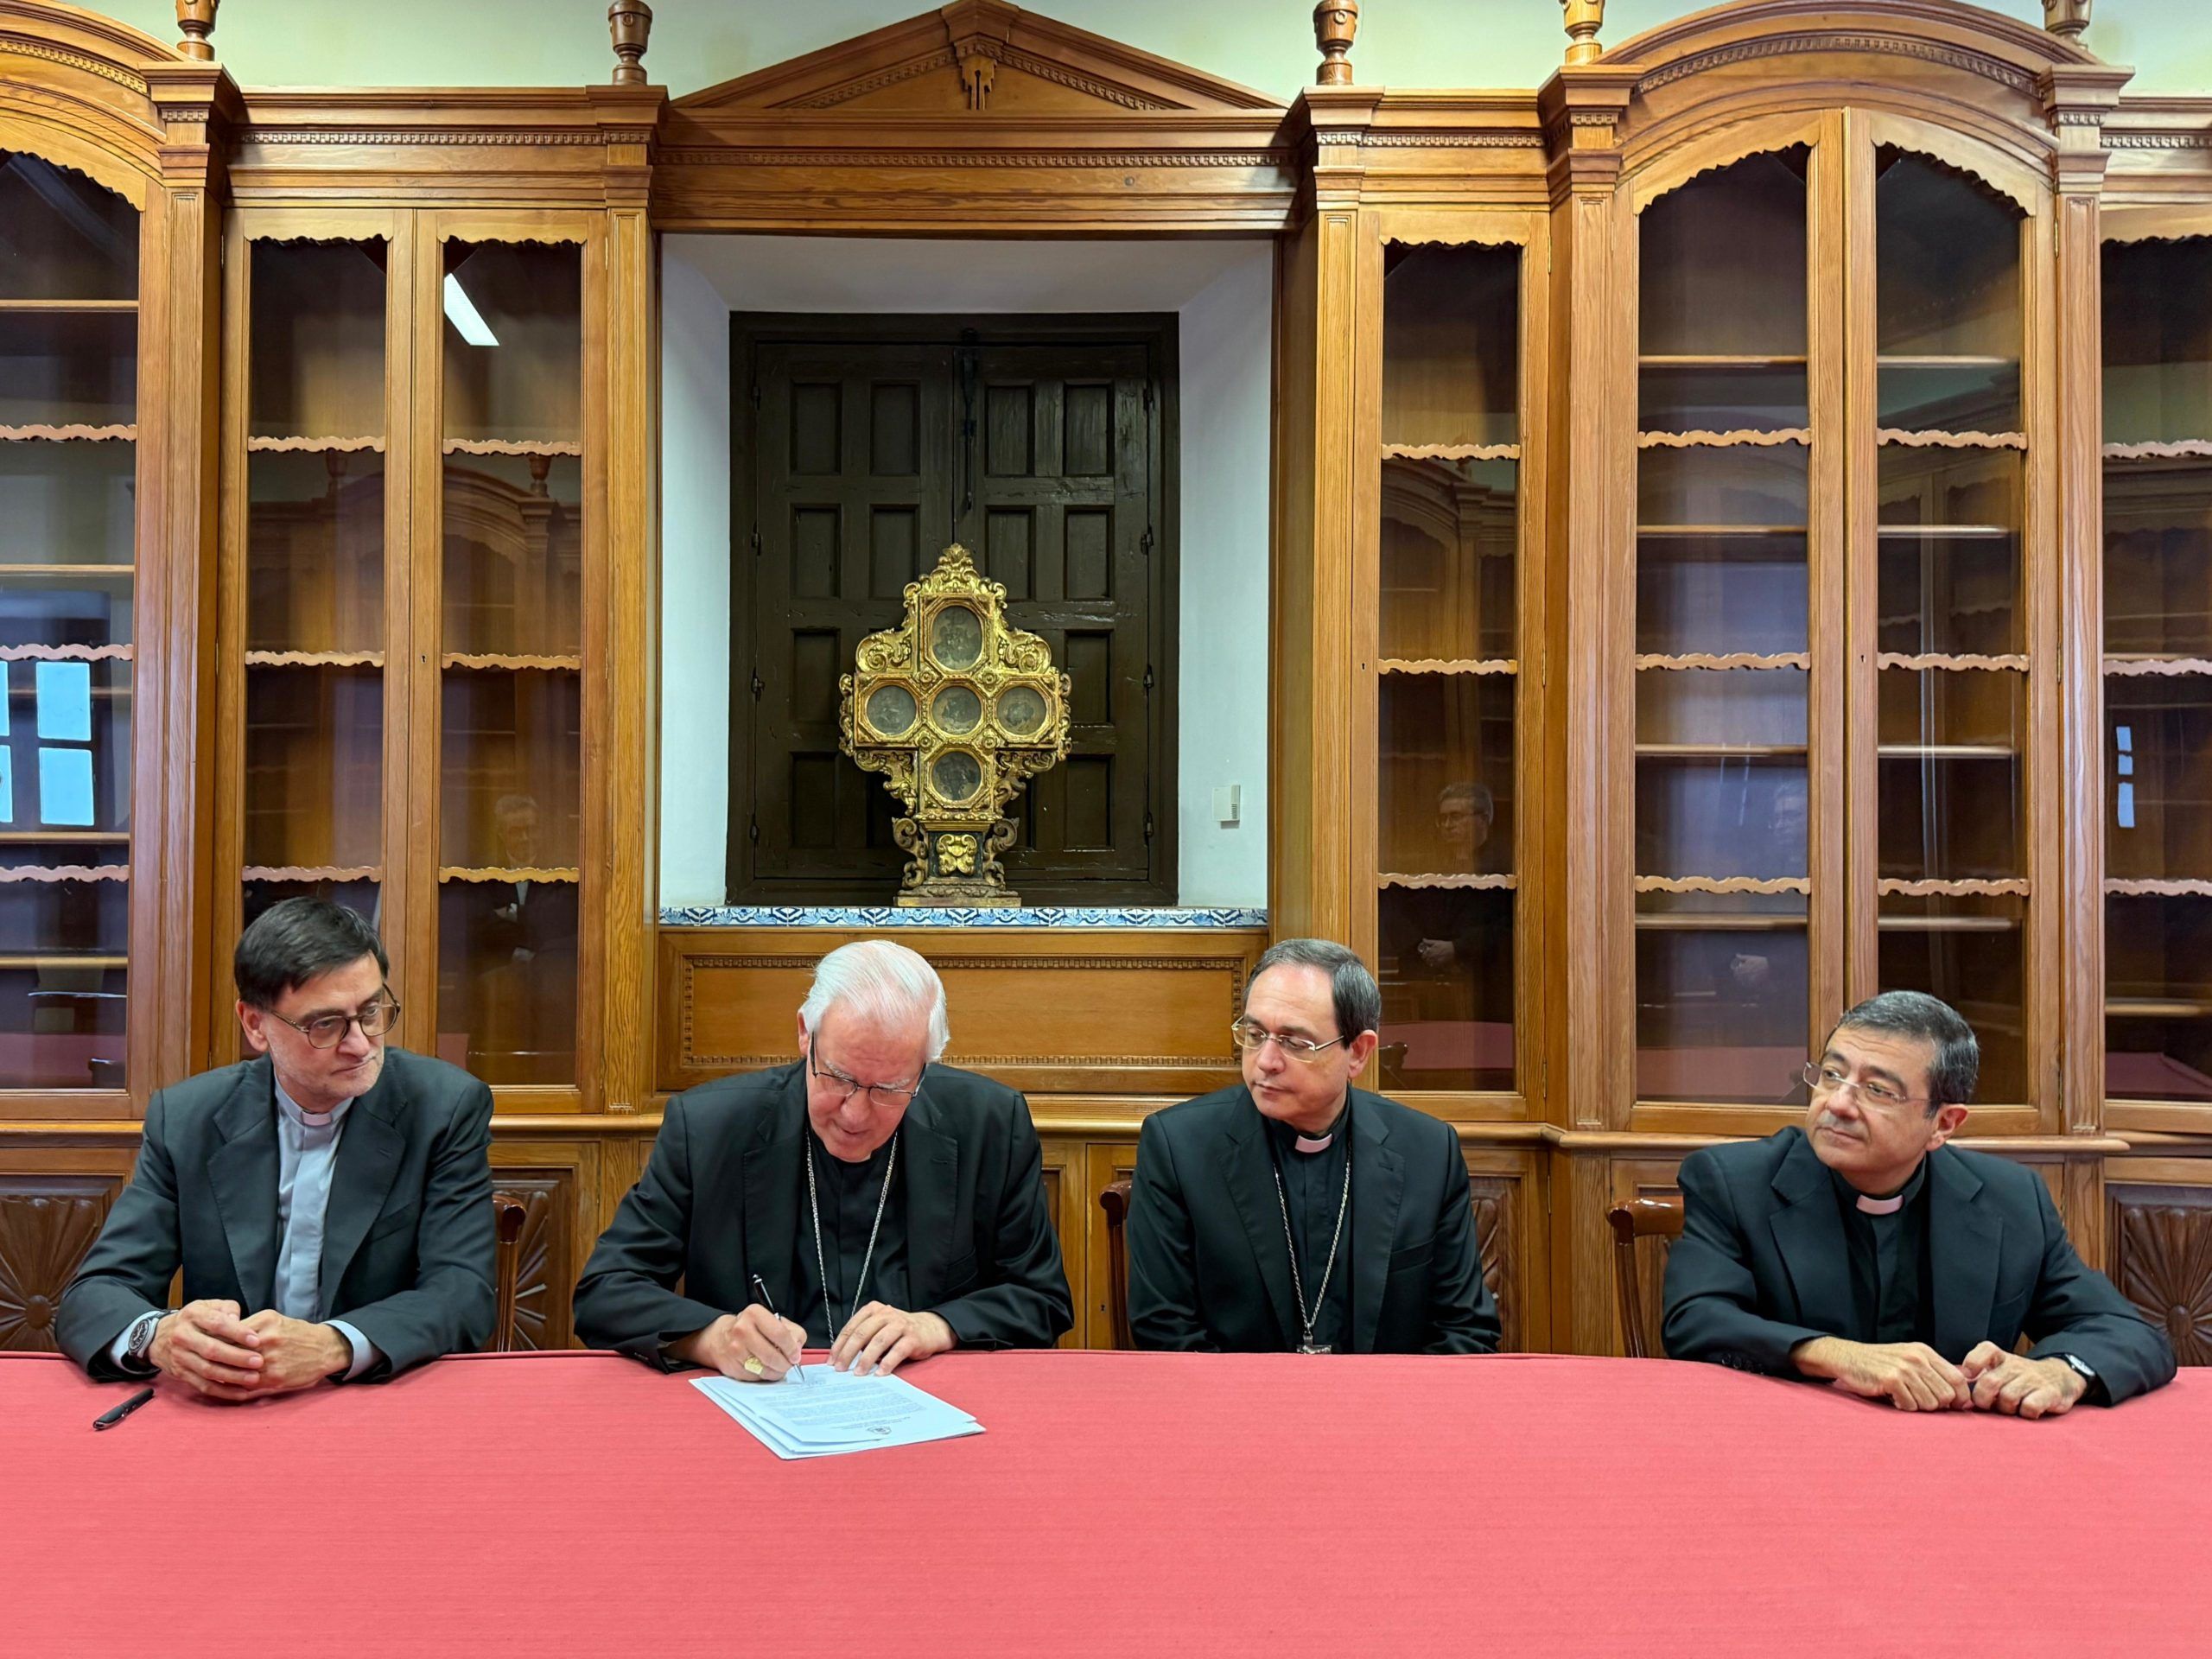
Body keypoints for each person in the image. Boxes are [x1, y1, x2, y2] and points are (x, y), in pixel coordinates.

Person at [573, 938, 1071, 1379]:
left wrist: (936, 1326)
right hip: (757, 1411)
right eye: (838, 1077)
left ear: (925, 1069)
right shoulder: (708, 1128)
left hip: (928, 1413)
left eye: (890, 1089)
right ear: (805, 1035)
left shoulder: (988, 1125)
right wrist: (710, 1338)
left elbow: (1043, 1300)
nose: (855, 1113)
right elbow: (605, 1292)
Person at [1663, 989, 2177, 1415]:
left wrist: (2062, 1372)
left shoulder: (2010, 1199)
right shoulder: (1734, 1181)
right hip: (1789, 1444)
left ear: (1943, 1123)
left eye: (1878, 1091)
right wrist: (1841, 1357)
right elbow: (1696, 1321)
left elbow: (2126, 1332)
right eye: (1832, 1075)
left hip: (1955, 1461)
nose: (1838, 1104)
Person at [57, 899, 496, 1396]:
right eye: (325, 1024)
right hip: (232, 1405)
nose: (360, 1044)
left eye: (372, 1012)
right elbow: (96, 1293)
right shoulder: (188, 1119)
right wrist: (158, 1336)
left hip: (378, 1398)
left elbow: (462, 1293)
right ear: (255, 1025)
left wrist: (334, 1345)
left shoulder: (443, 1107)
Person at [1126, 938, 1500, 1354]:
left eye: (1294, 1042)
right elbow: (1165, 1332)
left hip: (1386, 1410)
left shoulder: (1428, 1152)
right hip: (1233, 1410)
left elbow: (1466, 1330)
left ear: (1358, 1052)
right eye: (1255, 1034)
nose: (1266, 1060)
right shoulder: (1180, 1148)